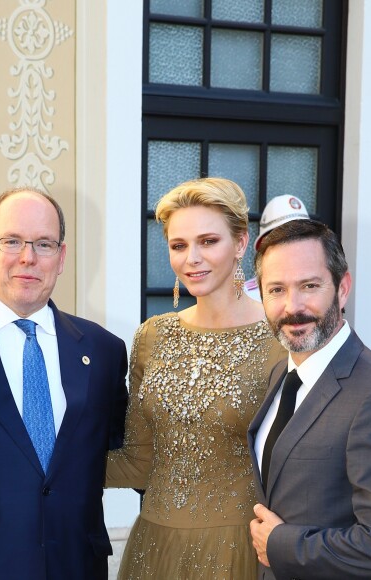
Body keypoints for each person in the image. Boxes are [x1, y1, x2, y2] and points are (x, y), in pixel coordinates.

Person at [0, 187, 129, 579]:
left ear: (62, 257)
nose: (28, 257)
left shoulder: (104, 351)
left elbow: (118, 451)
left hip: (78, 567)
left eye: (44, 244)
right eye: (13, 241)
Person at [106, 177, 286, 579]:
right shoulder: (151, 336)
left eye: (208, 241)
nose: (192, 258)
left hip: (238, 551)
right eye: (179, 245)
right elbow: (139, 460)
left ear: (241, 243)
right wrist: (46, 462)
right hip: (155, 549)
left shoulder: (281, 336)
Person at [248, 219, 371, 579]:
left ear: (342, 289)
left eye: (309, 286)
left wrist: (280, 543)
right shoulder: (281, 375)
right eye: (276, 289)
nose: (293, 307)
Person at [244, 195, 309, 300]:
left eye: (302, 237)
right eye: (285, 238)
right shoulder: (246, 297)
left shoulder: (323, 289)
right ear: (263, 244)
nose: (296, 245)